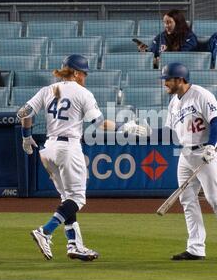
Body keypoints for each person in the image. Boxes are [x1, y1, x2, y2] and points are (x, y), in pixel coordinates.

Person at [17, 54, 149, 261]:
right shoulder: (82, 93)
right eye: (84, 73)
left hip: (48, 148)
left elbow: (24, 113)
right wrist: (126, 126)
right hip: (68, 148)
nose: (85, 77)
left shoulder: (46, 90)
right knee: (77, 198)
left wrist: (26, 138)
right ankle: (45, 231)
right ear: (77, 73)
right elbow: (99, 124)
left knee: (67, 198)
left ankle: (74, 245)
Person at [162, 62, 217, 261]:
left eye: (167, 79)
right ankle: (196, 247)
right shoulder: (174, 102)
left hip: (208, 152)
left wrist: (210, 145)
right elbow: (169, 131)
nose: (164, 83)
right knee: (187, 200)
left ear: (179, 80)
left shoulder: (201, 94)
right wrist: (145, 131)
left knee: (215, 199)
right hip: (186, 154)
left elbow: (216, 120)